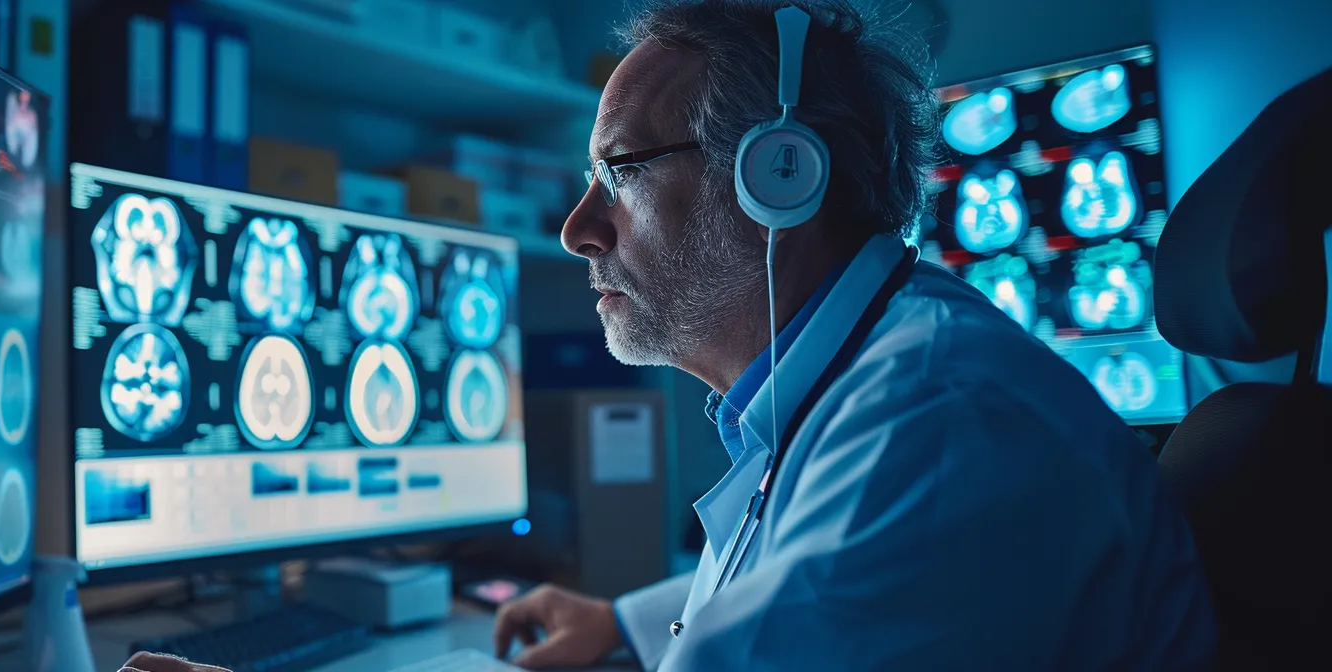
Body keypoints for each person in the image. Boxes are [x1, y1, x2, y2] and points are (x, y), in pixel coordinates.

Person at [489, 0, 1217, 670]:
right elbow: (807, 568)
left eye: (620, 171)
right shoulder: (843, 389)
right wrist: (625, 623)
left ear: (779, 176)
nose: (576, 230)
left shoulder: (938, 417)